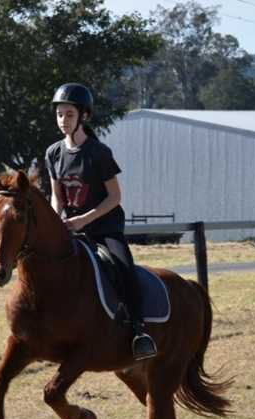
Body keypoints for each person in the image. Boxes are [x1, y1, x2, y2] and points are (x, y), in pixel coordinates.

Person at [44, 83, 157, 361]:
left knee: (123, 267)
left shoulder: (99, 153)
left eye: (69, 115)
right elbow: (57, 198)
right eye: (59, 115)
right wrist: (55, 221)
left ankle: (139, 331)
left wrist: (83, 220)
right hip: (70, 228)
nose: (63, 121)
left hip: (104, 228)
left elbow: (115, 197)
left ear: (84, 116)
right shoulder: (53, 153)